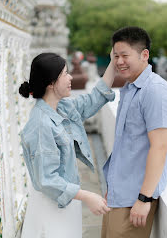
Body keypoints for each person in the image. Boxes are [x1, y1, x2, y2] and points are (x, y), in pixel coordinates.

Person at [19, 52, 116, 238]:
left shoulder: (62, 108)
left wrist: (113, 61)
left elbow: (94, 98)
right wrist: (87, 196)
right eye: (65, 74)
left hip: (66, 202)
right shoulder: (40, 125)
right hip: (51, 208)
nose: (70, 77)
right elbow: (47, 180)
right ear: (51, 83)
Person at [101, 27, 167, 238]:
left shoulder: (156, 92)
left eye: (125, 55)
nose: (119, 61)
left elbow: (160, 147)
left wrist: (144, 199)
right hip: (118, 196)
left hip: (134, 201)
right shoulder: (130, 89)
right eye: (115, 56)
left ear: (145, 55)